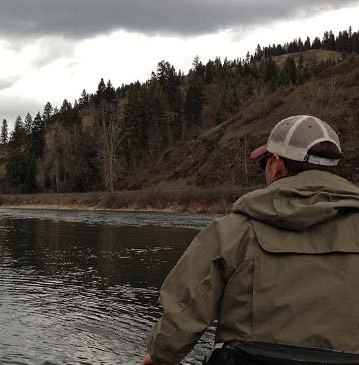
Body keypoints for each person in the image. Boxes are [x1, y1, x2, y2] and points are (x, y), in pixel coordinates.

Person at [141, 115, 359, 365]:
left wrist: (157, 356)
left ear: (277, 165)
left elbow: (181, 321)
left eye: (264, 163)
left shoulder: (232, 232)